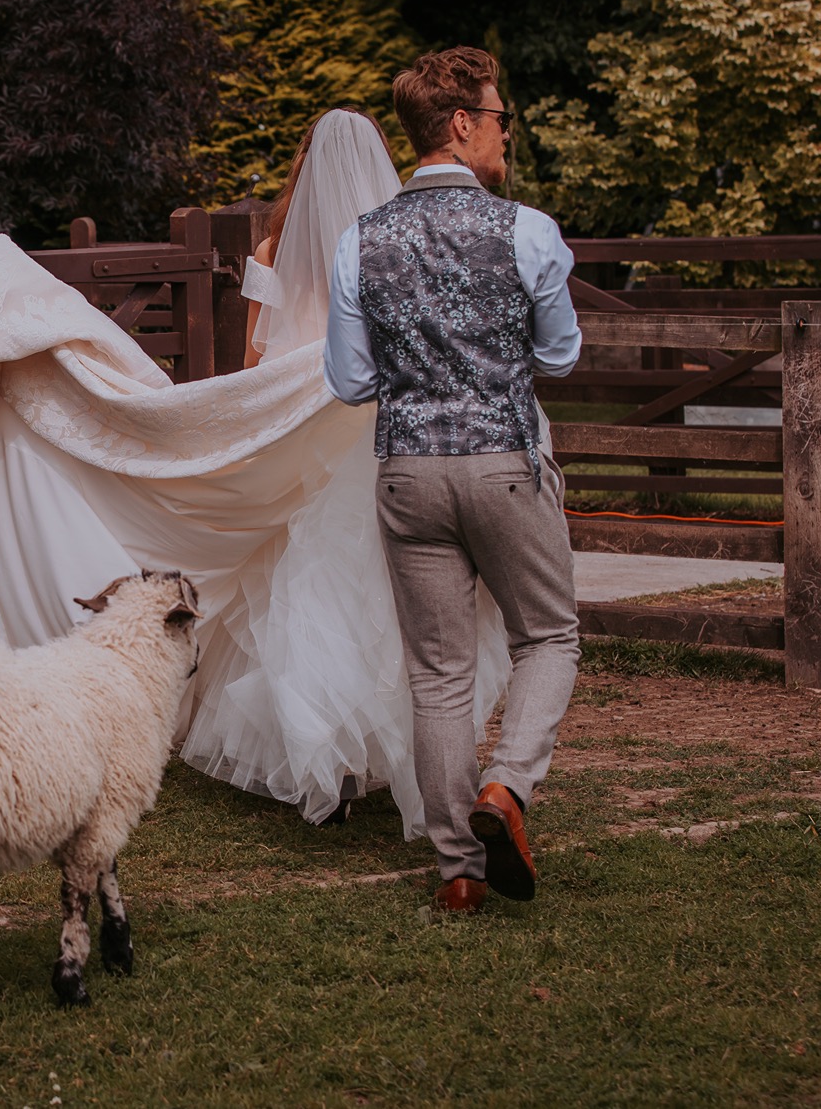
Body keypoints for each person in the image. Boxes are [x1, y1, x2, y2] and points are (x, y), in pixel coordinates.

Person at [186, 107, 522, 828]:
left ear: (303, 164)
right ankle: (396, 754)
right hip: (373, 433)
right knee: (376, 589)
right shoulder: (390, 239)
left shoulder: (273, 246)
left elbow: (254, 358)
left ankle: (324, 767)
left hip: (300, 432)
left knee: (298, 583)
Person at [324, 45, 583, 914]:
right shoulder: (528, 231)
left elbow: (350, 380)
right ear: (464, 123)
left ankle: (459, 875)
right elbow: (561, 355)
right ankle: (506, 788)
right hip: (503, 461)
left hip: (407, 473)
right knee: (549, 635)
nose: (508, 133)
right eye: (501, 117)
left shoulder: (360, 240)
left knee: (438, 675)